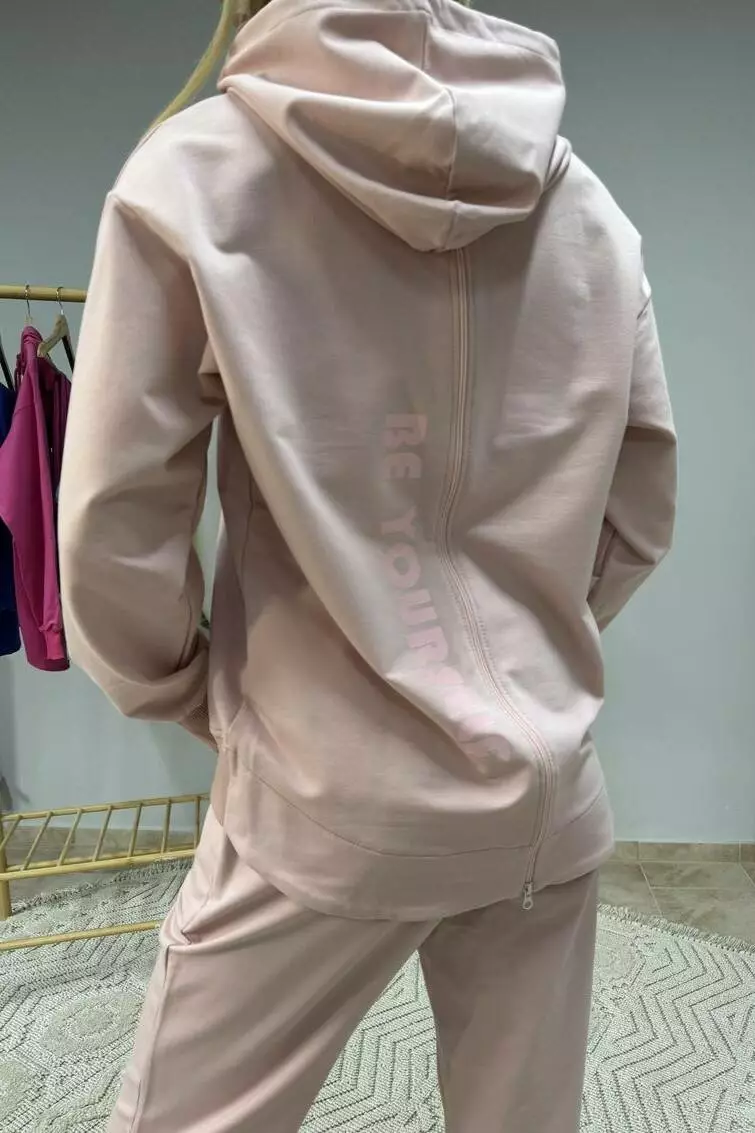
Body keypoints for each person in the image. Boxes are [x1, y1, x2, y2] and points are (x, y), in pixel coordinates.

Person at [58, 0, 677, 1128]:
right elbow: (635, 509)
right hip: (544, 796)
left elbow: (114, 516)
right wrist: (527, 657)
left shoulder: (195, 173)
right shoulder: (587, 206)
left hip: (320, 794)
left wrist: (190, 690)